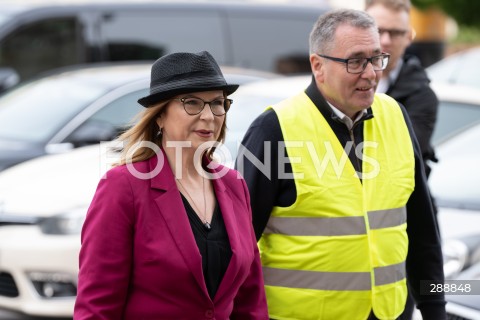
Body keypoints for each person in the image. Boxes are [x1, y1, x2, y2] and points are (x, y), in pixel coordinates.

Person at [236, 9, 446, 320]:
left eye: (377, 59)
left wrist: (436, 310)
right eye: (356, 61)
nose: (371, 73)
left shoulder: (397, 117)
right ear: (317, 65)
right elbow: (237, 250)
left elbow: (423, 236)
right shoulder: (273, 130)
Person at [74, 51, 268, 319]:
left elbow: (251, 302)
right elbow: (96, 307)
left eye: (217, 103)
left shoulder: (234, 184)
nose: (209, 115)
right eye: (192, 103)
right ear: (160, 116)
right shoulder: (123, 186)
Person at [366, 0, 438, 177]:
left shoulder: (421, 94)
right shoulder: (338, 80)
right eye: (378, 30)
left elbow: (402, 156)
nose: (385, 40)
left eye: (396, 32)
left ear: (408, 37)